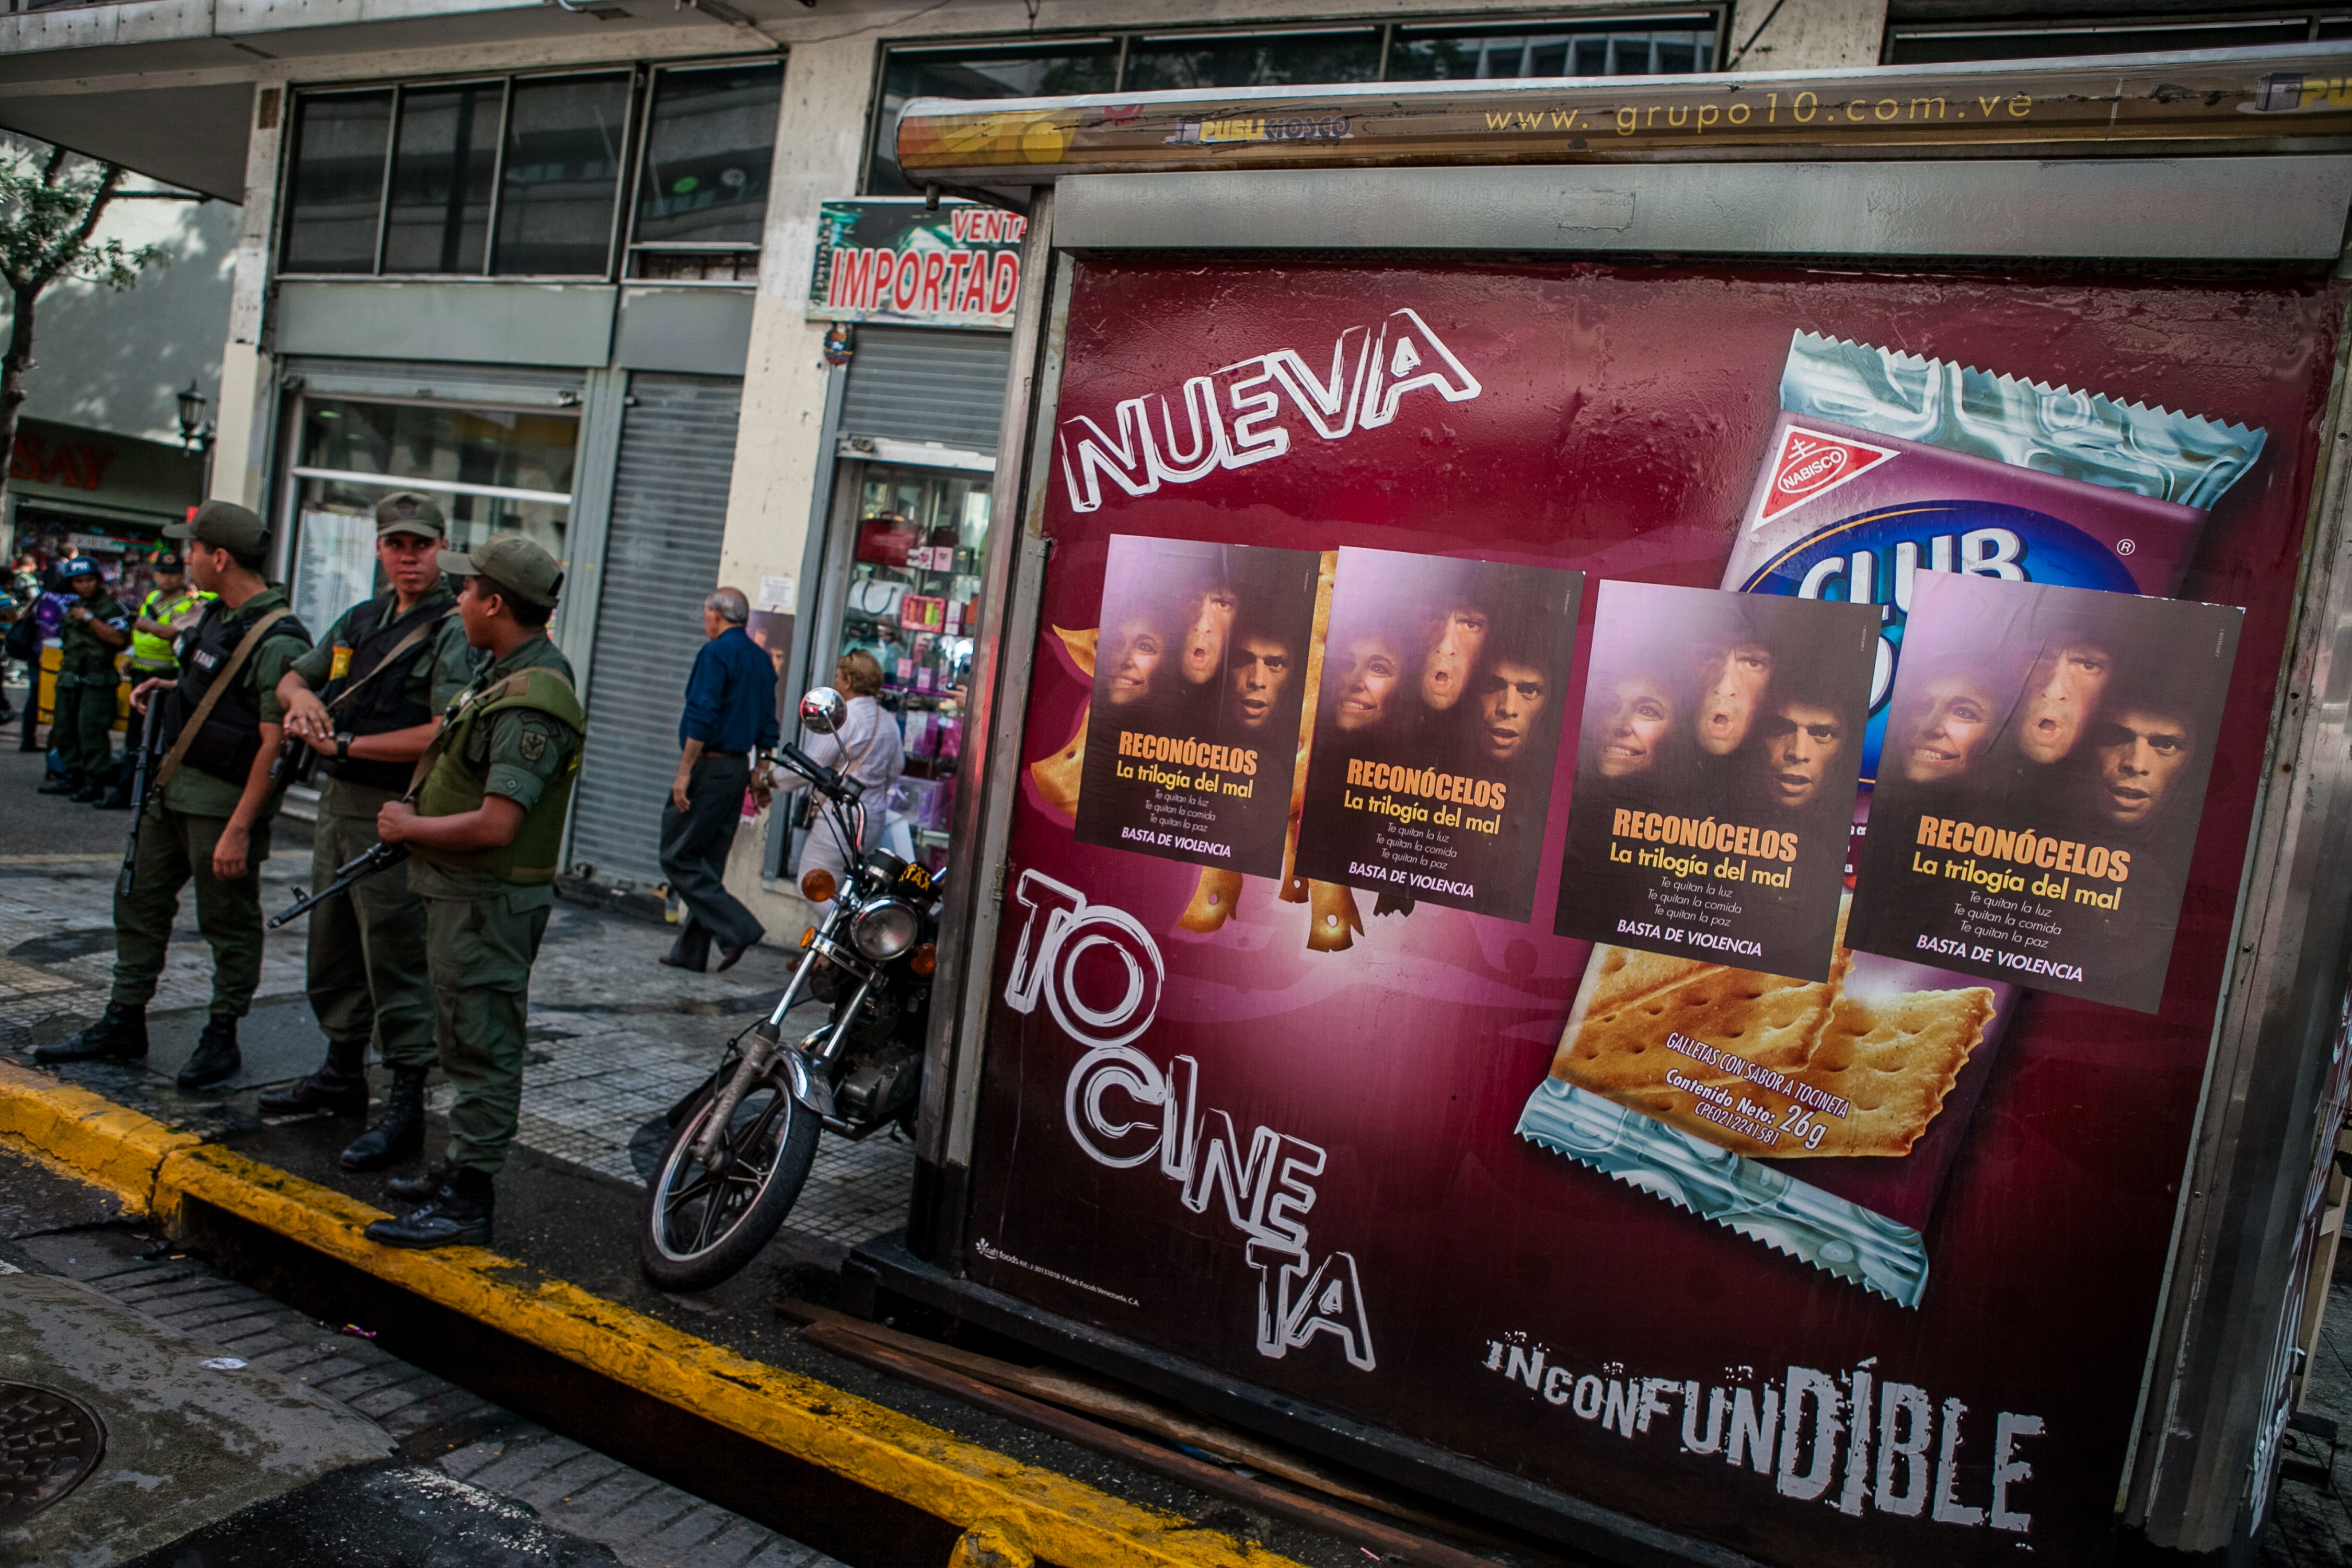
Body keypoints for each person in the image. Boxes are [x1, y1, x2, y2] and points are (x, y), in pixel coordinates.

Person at [35, 503, 312, 1089]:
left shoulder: (278, 638)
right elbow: (210, 685)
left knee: (228, 924)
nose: (185, 560)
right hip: (170, 789)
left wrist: (241, 827)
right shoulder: (215, 616)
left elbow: (273, 747)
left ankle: (222, 1034)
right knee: (138, 902)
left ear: (220, 557)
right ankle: (123, 1019)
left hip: (220, 805)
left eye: (193, 549)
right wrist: (171, 685)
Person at [362, 534, 584, 1249]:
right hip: (465, 898)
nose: (456, 600)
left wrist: (410, 826)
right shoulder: (505, 672)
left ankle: (469, 1199)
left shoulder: (532, 698)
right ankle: (459, 1170)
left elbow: (497, 823)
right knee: (462, 1040)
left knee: (483, 1048)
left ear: (494, 602)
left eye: (466, 590)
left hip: (486, 902)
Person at [261, 493, 480, 1171]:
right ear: (381, 549)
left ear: (442, 545)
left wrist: (348, 742)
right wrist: (301, 704)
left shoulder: (453, 627)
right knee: (333, 947)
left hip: (398, 811)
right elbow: (294, 676)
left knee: (394, 956)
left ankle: (406, 1105)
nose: (408, 556)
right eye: (396, 544)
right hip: (338, 808)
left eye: (420, 544)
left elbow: (447, 729)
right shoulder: (361, 618)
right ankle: (341, 1070)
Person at [659, 585, 778, 974]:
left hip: (709, 767)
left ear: (716, 614)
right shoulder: (761, 659)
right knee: (708, 859)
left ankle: (738, 927)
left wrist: (683, 771)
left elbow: (702, 714)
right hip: (737, 770)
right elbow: (767, 724)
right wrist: (760, 771)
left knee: (676, 853)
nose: (704, 620)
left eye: (705, 613)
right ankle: (691, 952)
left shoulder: (715, 653)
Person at [790, 650, 904, 917]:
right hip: (873, 817)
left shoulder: (844, 717)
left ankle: (861, 926)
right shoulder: (887, 721)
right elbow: (896, 769)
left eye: (838, 676)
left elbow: (812, 762)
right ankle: (825, 956)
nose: (835, 682)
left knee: (811, 883)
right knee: (842, 886)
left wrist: (768, 779)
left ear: (850, 681)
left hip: (840, 816)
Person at [99, 551, 210, 810]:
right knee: (135, 740)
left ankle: (145, 792)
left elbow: (172, 634)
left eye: (174, 574)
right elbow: (142, 636)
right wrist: (132, 656)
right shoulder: (151, 598)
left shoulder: (189, 605)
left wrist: (148, 626)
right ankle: (127, 791)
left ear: (183, 577)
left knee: (156, 741)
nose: (167, 579)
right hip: (141, 674)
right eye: (162, 573)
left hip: (167, 679)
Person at [39, 557, 130, 801]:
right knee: (65, 727)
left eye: (89, 580)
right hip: (70, 676)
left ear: (98, 581)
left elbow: (120, 640)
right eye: (79, 581)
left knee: (91, 730)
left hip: (97, 678)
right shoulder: (72, 607)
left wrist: (90, 619)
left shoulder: (111, 607)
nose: (85, 585)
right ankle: (72, 776)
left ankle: (94, 781)